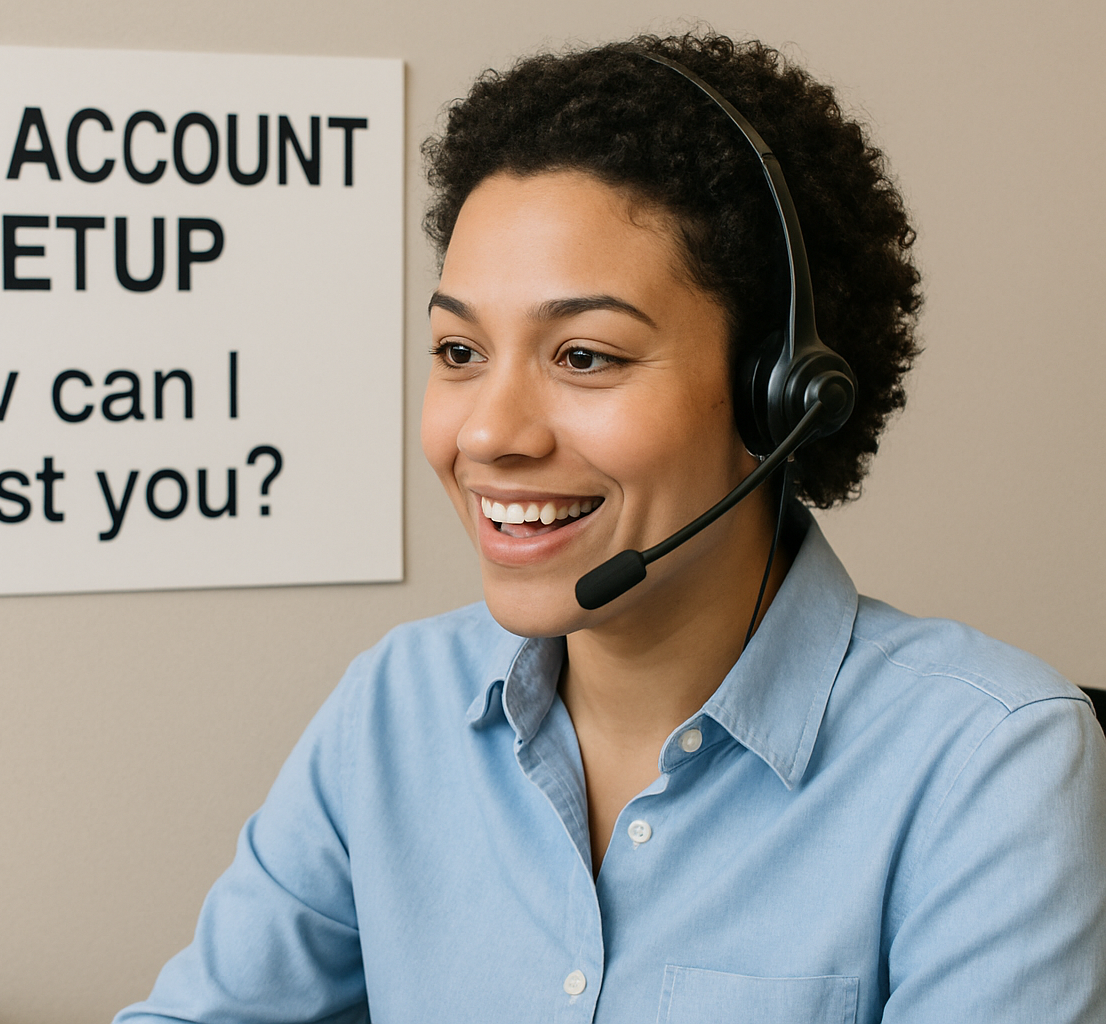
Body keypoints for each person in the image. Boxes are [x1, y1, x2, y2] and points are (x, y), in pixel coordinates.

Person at [116, 31, 1106, 1023]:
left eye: (585, 356)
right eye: (460, 349)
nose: (490, 431)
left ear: (776, 398)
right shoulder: (394, 710)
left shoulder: (989, 761)